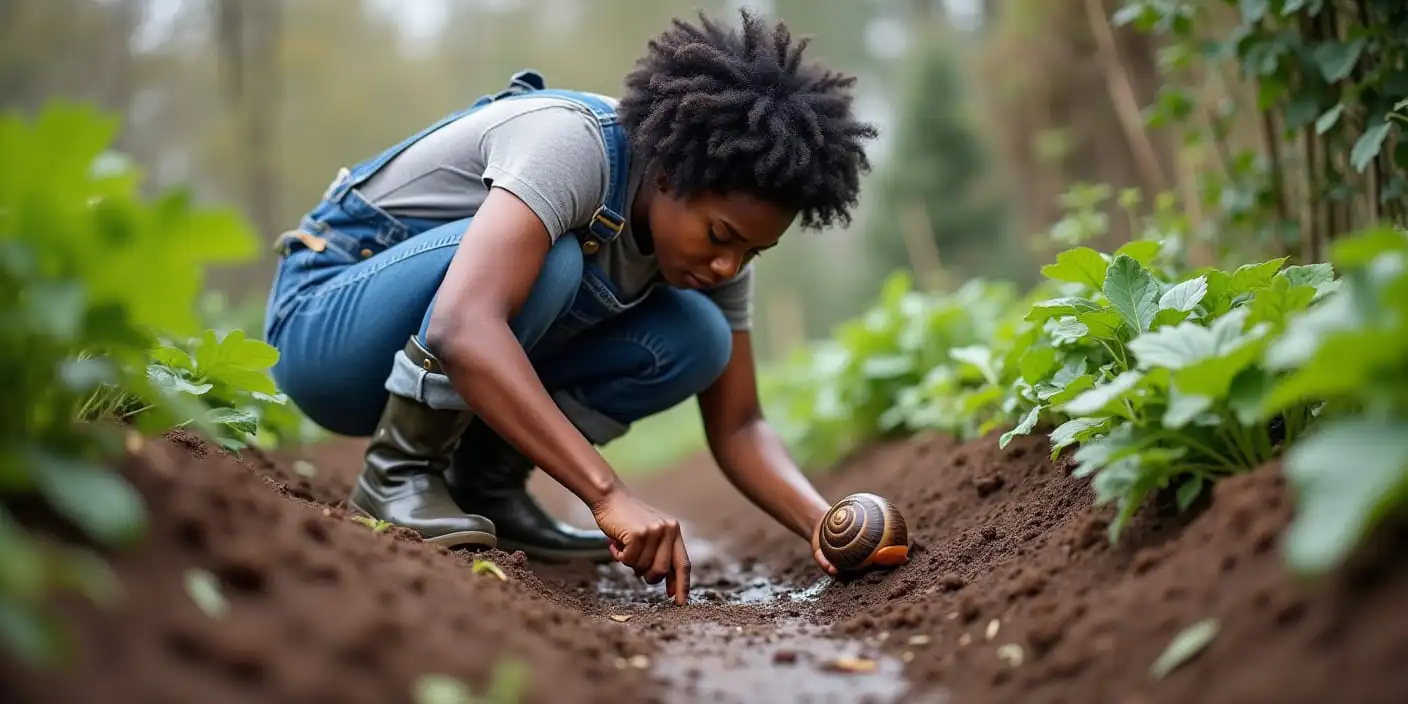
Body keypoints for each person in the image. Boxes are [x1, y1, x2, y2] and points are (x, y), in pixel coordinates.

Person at [261, 9, 877, 606]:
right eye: (720, 237)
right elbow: (463, 325)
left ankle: (487, 487)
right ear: (667, 175)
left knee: (701, 337)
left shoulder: (713, 259)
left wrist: (824, 523)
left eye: (753, 252)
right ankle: (397, 474)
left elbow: (740, 424)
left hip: (436, 345)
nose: (728, 266)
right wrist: (606, 493)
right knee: (552, 263)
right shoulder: (574, 144)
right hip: (324, 330)